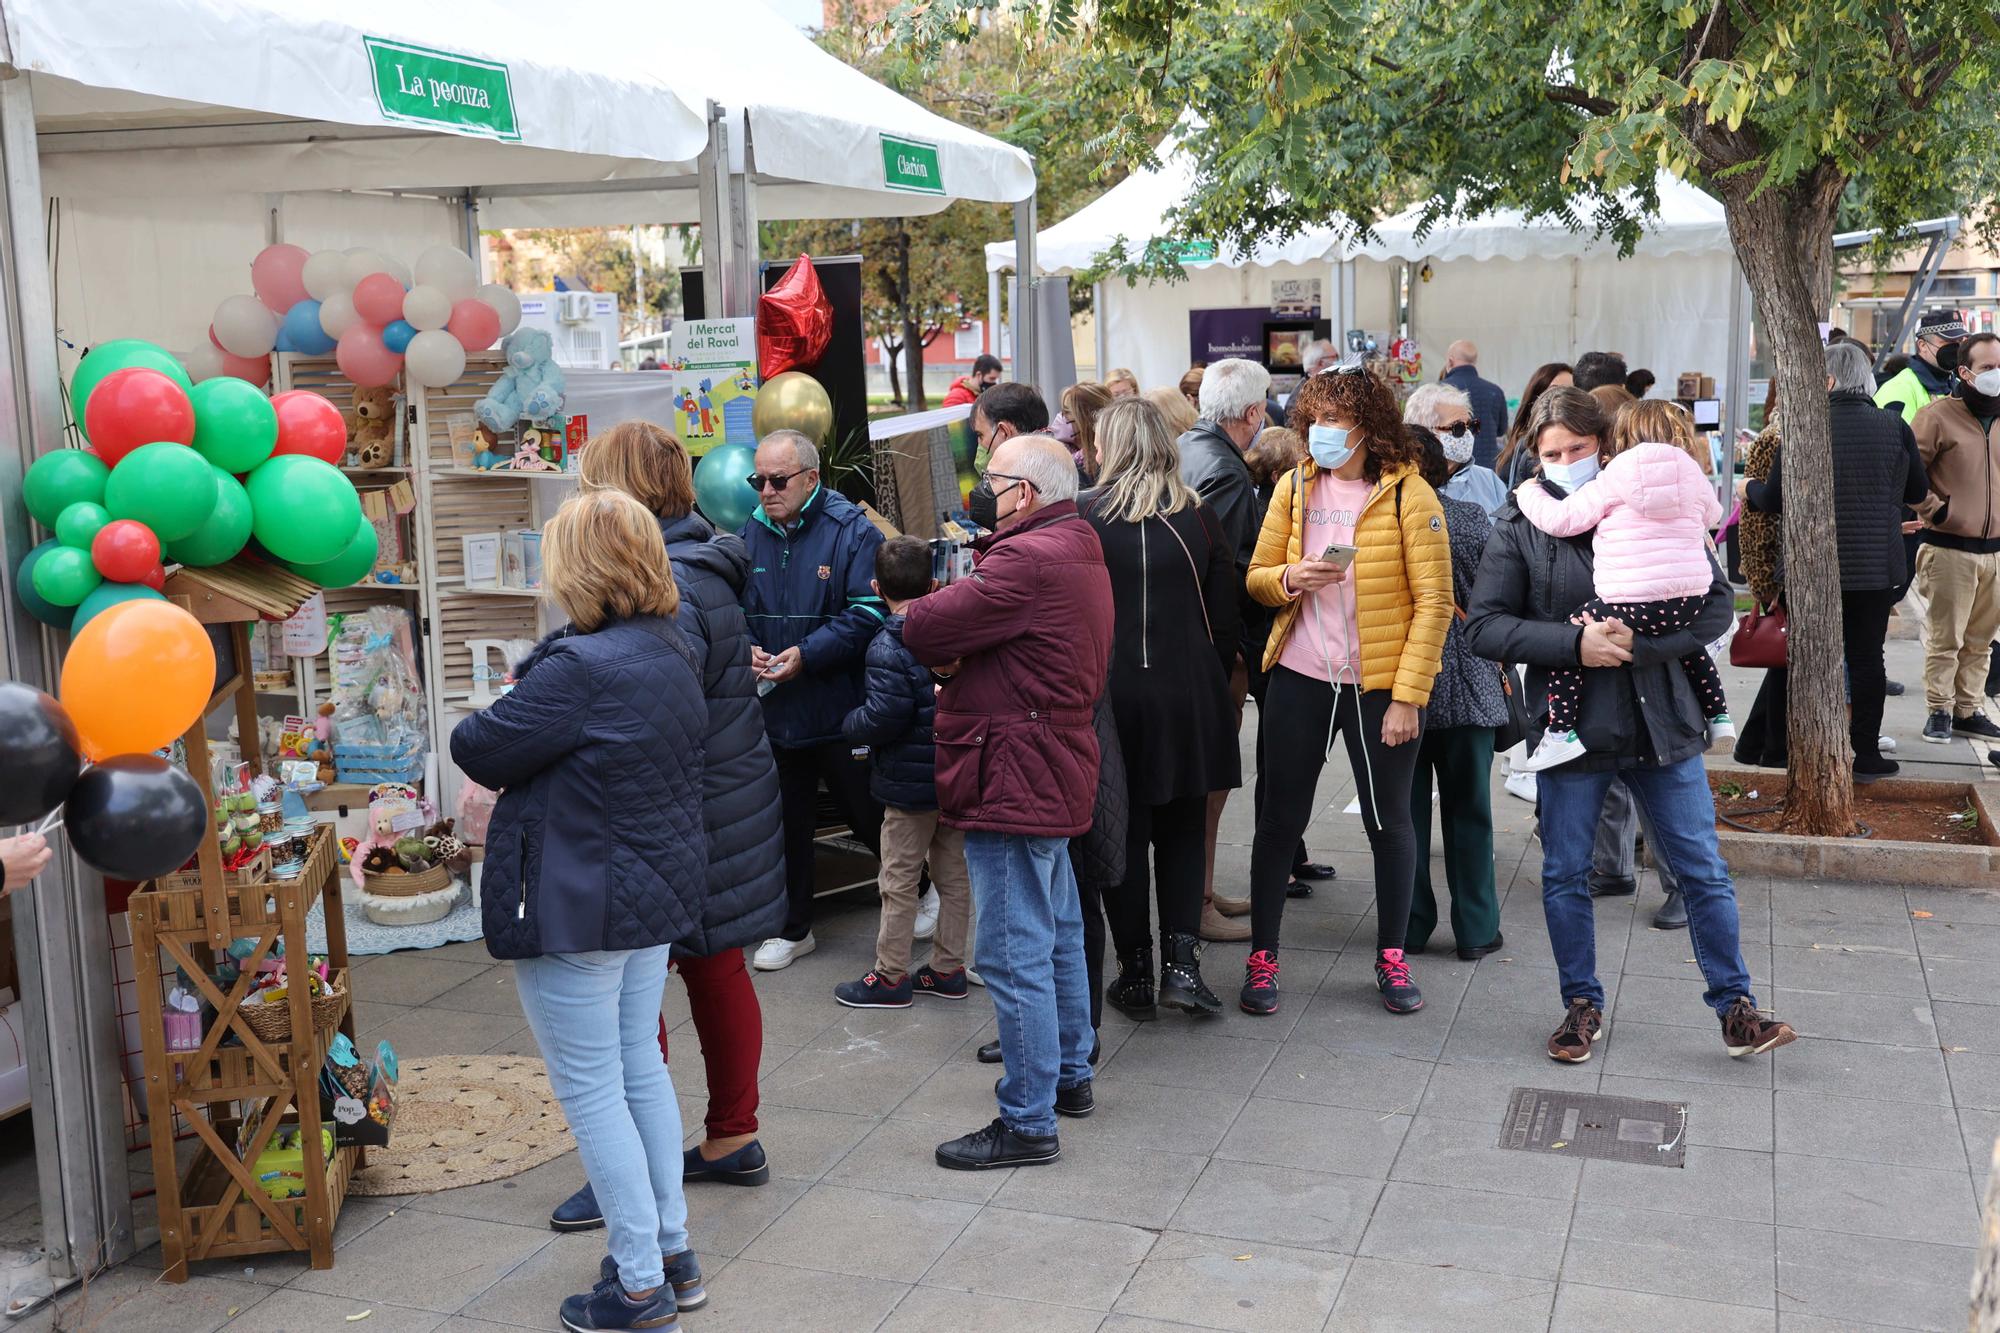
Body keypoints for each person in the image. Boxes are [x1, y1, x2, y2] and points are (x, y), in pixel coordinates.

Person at [1465, 387, 1795, 1064]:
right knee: (1565, 872)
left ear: (1606, 446)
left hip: (1661, 719)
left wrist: (1638, 646)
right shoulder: (1521, 523)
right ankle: (1581, 1004)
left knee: (1700, 867)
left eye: (1576, 450)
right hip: (1571, 725)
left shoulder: (1658, 504)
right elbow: (1484, 627)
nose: (1562, 463)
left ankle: (1737, 1007)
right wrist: (1573, 645)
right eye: (1549, 453)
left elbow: (1712, 606)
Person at [451, 490, 712, 1332]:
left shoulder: (580, 668)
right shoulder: (669, 643)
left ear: (580, 568)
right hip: (646, 890)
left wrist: (508, 691)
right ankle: (670, 1251)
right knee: (638, 1066)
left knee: (596, 1086)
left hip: (583, 897)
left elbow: (481, 745)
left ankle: (640, 1282)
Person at [546, 423, 788, 1235]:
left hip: (672, 809)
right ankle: (732, 1135)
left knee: (629, 995)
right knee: (714, 967)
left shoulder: (661, 580)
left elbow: (635, 705)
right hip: (721, 794)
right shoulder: (705, 557)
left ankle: (633, 1176)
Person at [904, 434, 1113, 1170]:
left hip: (1013, 770)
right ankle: (1068, 1075)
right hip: (1045, 760)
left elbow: (925, 624)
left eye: (989, 482)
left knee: (1011, 947)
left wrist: (924, 613)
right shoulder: (1075, 541)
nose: (980, 493)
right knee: (1054, 929)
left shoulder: (1026, 557)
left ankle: (1027, 1118)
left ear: (1022, 492)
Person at [1241, 364, 1453, 1017]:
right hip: (1301, 674)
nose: (1321, 432)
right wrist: (1289, 577)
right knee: (1279, 820)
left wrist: (1407, 697)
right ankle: (1262, 957)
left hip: (1377, 684)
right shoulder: (1293, 487)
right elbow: (1256, 577)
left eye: (1334, 420)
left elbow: (1435, 604)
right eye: (1314, 420)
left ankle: (1392, 956)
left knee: (1391, 820)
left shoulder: (1409, 495)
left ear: (1369, 425)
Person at [1080, 398, 1242, 1018]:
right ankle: (1182, 968)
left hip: (1110, 693)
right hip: (1189, 692)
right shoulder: (1198, 518)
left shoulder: (1083, 516)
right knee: (1182, 831)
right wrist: (1213, 676)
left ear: (1109, 445)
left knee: (1123, 834)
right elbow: (1224, 618)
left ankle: (1137, 972)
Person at [1739, 341, 1926, 781]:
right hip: (1877, 569)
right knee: (1867, 659)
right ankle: (1865, 753)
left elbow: (1771, 499)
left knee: (1806, 658)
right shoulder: (1894, 426)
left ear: (1826, 380)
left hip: (1811, 571)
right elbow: (1915, 494)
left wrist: (1746, 487)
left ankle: (1793, 749)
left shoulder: (1805, 426)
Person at [740, 429, 888, 972]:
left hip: (837, 702)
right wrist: (747, 647)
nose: (766, 491)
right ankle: (793, 928)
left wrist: (808, 653)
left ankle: (919, 889)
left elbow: (871, 611)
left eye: (778, 481)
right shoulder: (748, 532)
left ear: (811, 478)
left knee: (865, 811)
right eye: (759, 480)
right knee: (786, 822)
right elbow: (732, 607)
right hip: (776, 707)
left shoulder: (850, 529)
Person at [1513, 402, 1730, 772]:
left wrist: (1527, 493)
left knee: (1576, 631)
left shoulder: (1612, 478)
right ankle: (1719, 716)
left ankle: (1561, 731)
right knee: (1689, 646)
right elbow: (1714, 516)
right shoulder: (1692, 475)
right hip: (1689, 598)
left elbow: (1562, 520)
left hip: (1630, 600)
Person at [832, 536, 973, 1007]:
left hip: (907, 786)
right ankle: (948, 968)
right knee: (954, 877)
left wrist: (849, 724)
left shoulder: (886, 645)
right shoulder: (955, 633)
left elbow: (883, 717)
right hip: (953, 778)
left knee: (898, 879)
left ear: (876, 587)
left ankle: (890, 976)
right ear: (934, 583)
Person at [1402, 426, 1506, 960]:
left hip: (1404, 685)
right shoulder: (1470, 521)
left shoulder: (1384, 527)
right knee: (1472, 812)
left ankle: (1409, 926)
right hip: (1471, 679)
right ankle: (1477, 929)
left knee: (1405, 814)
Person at [1912, 330, 2000, 744]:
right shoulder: (1936, 416)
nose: (1996, 374)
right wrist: (1935, 510)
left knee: (1981, 642)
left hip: (1995, 553)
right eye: (1988, 368)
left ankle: (1969, 708)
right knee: (1946, 638)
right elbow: (1908, 473)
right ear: (1965, 372)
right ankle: (1939, 710)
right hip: (1949, 549)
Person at [1405, 382, 1507, 515]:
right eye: (1457, 428)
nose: (1468, 434)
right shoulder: (1402, 483)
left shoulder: (1489, 481)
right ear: (1424, 432)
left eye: (1471, 426)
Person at [1877, 309, 1967, 422]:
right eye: (1948, 342)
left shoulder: (1958, 384)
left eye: (1959, 341)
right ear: (1923, 345)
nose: (1956, 348)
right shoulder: (1900, 388)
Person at [1497, 362, 1575, 487]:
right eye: (1555, 391)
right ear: (1535, 397)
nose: (1564, 398)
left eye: (1572, 392)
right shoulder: (1526, 446)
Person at [1440, 339, 1510, 469]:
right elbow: (1501, 430)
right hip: (1488, 469)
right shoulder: (1494, 391)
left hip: (1450, 469)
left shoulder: (1439, 390)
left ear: (1450, 361)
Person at [969, 380, 1051, 478]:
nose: (979, 443)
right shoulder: (1058, 469)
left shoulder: (1010, 490)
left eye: (980, 435)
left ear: (1004, 432)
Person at [1060, 381, 1115, 482]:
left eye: (1068, 411)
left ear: (1086, 417)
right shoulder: (1065, 454)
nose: (1063, 417)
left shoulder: (1076, 466)